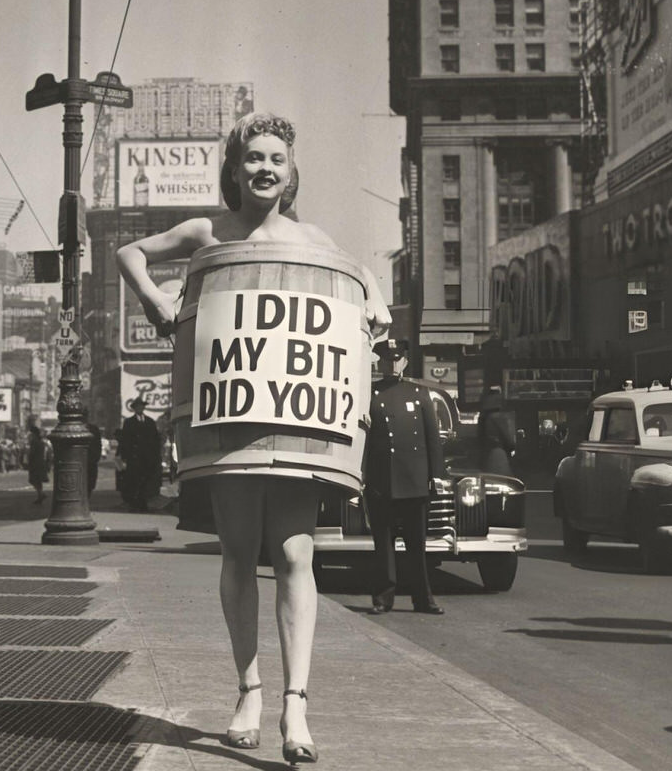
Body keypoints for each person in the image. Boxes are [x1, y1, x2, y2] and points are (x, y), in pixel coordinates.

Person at [117, 112, 390, 765]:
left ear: (291, 173)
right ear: (235, 170)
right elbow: (129, 253)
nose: (265, 168)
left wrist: (372, 324)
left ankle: (296, 704)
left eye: (276, 159)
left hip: (297, 416)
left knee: (296, 552)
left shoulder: (314, 240)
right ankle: (250, 690)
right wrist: (156, 301)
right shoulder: (206, 231)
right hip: (227, 411)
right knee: (239, 550)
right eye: (253, 159)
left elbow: (364, 296)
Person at [363, 339, 445, 617]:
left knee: (416, 546)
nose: (393, 365)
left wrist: (436, 475)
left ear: (405, 362)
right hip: (381, 480)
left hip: (414, 480)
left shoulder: (420, 394)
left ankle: (424, 598)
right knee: (383, 545)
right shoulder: (370, 394)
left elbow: (432, 439)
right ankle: (383, 598)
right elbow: (363, 440)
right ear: (380, 363)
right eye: (387, 360)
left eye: (397, 360)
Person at [117, 398, 161, 511]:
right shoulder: (129, 422)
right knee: (134, 480)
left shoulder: (150, 422)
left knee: (146, 480)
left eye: (141, 406)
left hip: (148, 458)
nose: (140, 408)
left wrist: (155, 456)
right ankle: (135, 503)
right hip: (134, 458)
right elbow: (124, 440)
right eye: (137, 407)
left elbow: (156, 440)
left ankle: (143, 503)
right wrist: (124, 457)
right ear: (134, 409)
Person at [476, 385, 516, 476]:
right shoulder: (499, 417)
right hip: (498, 455)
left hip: (485, 459)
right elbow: (510, 441)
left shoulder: (483, 417)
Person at [27, 417, 48, 504]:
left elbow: (32, 453)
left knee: (33, 479)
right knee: (38, 480)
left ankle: (41, 493)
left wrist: (29, 460)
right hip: (40, 462)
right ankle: (40, 495)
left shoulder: (34, 442)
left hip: (35, 463)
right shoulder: (41, 442)